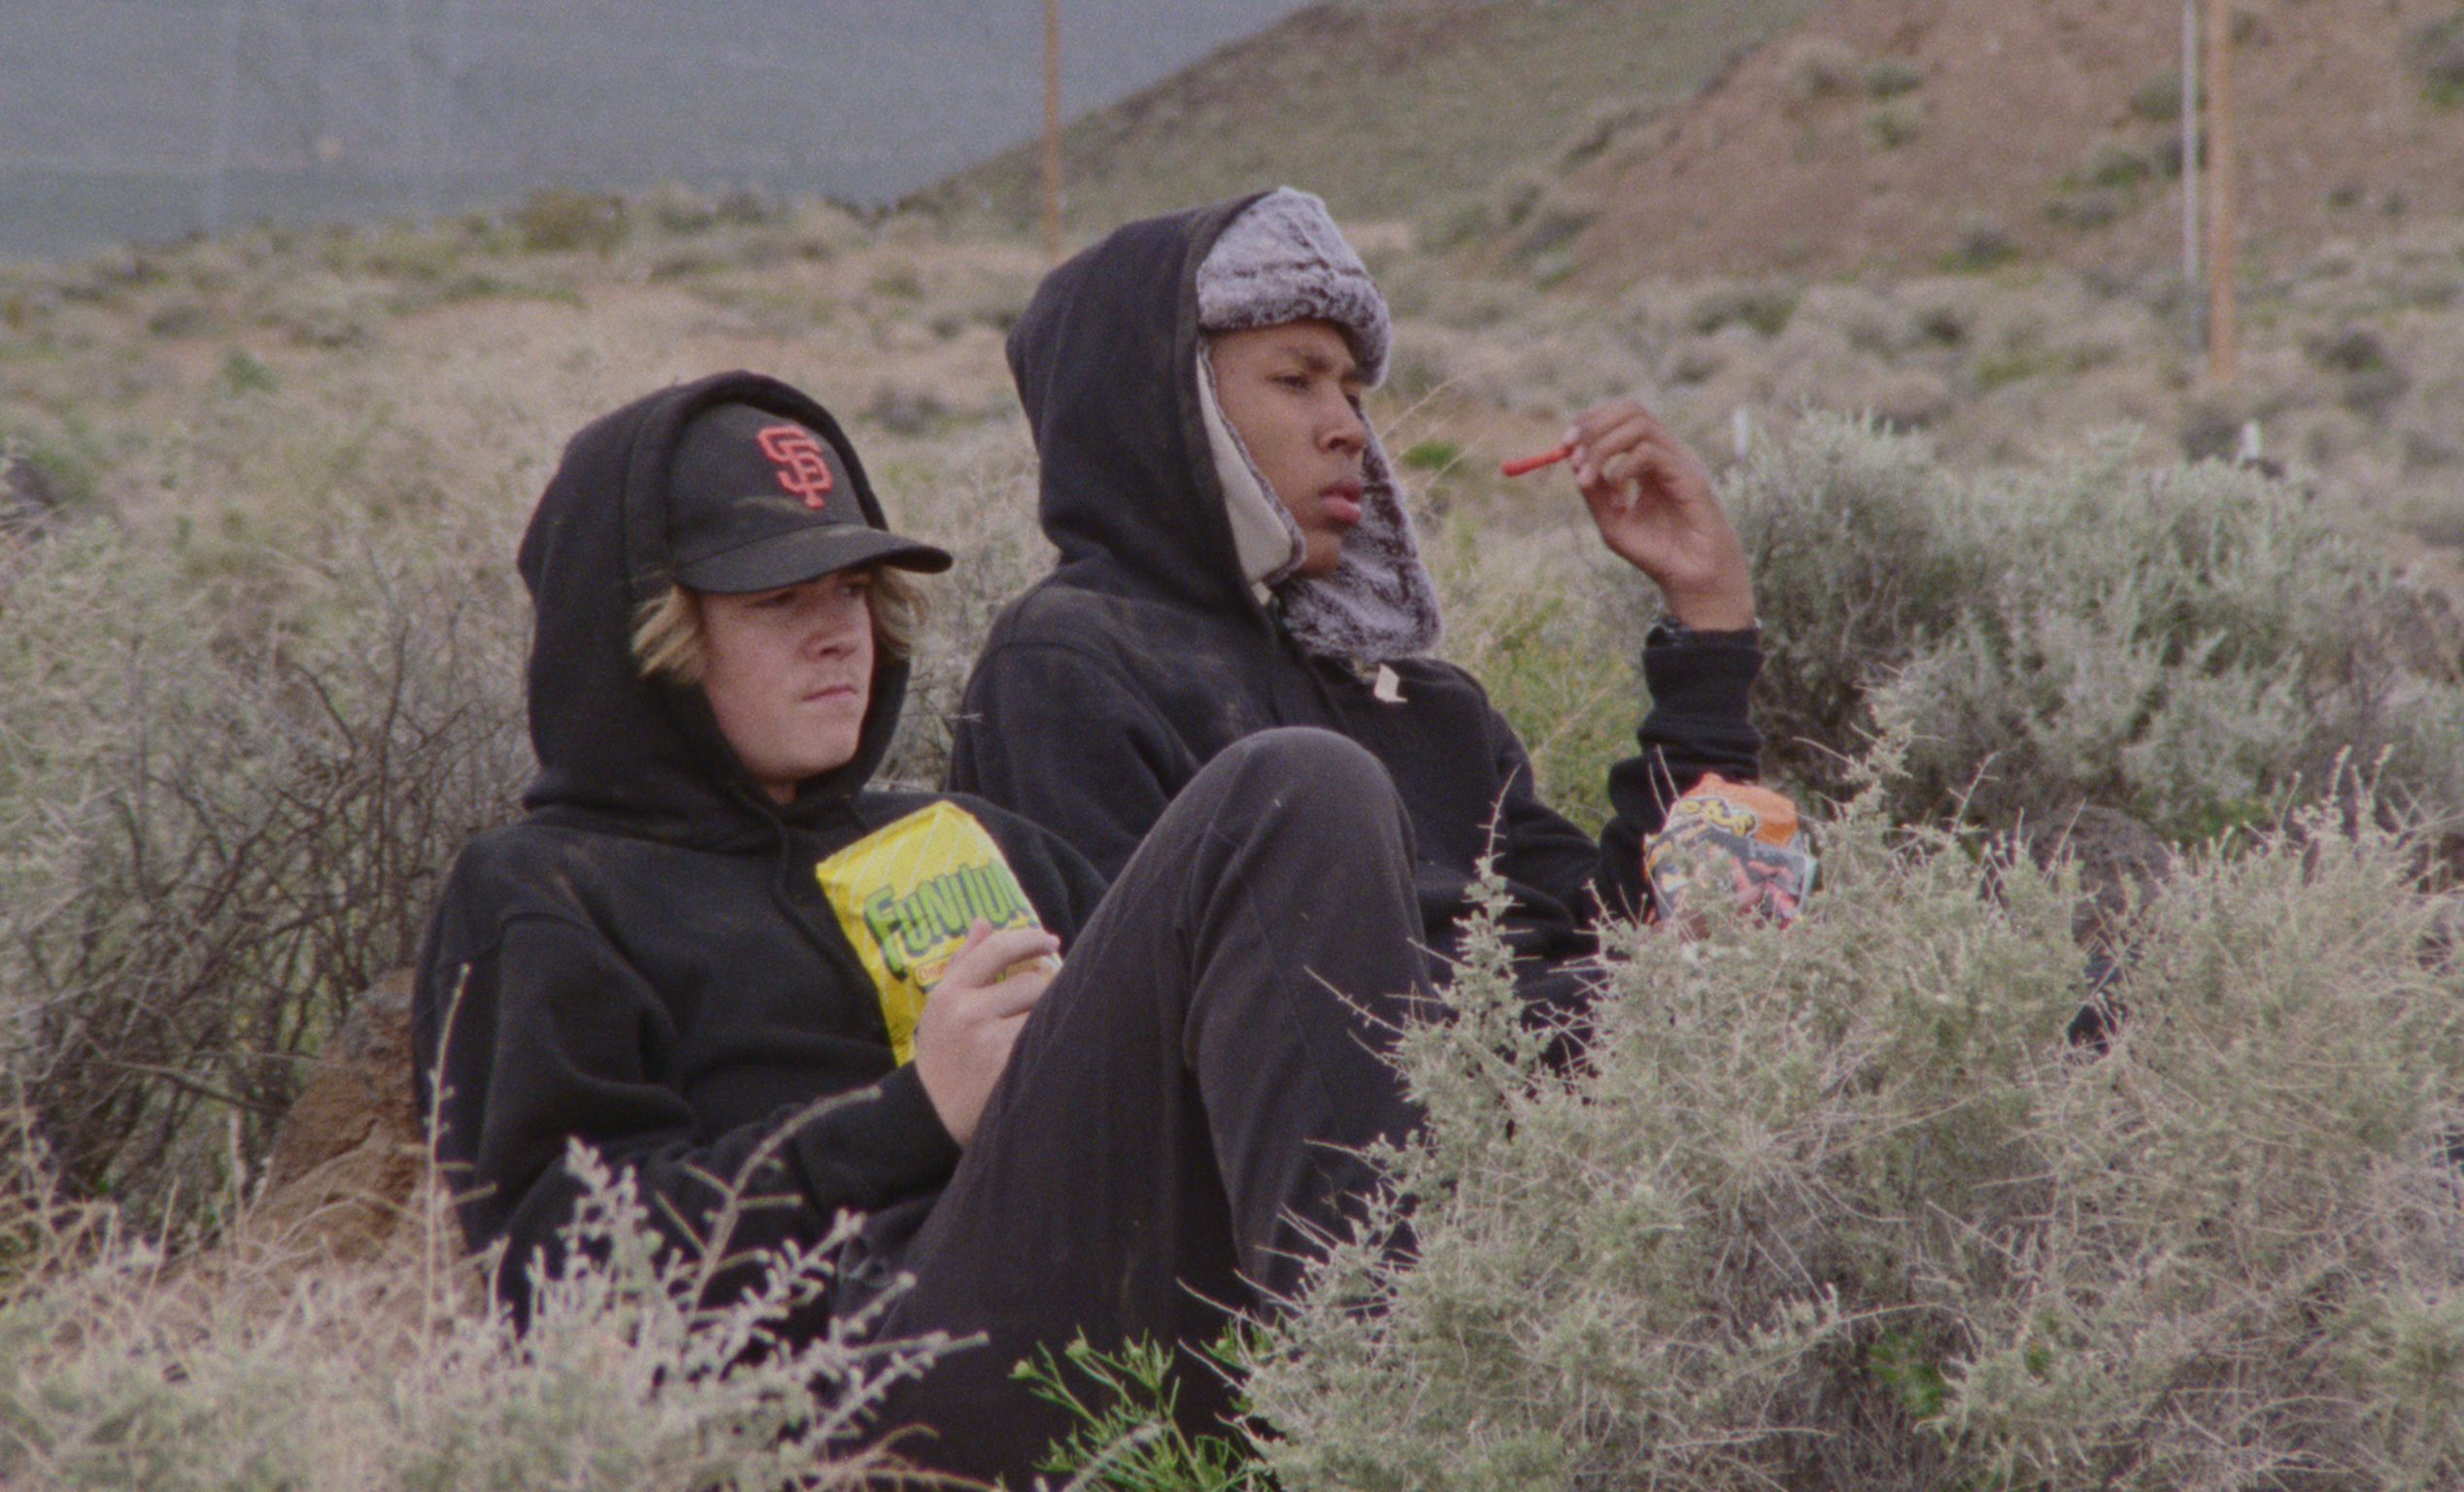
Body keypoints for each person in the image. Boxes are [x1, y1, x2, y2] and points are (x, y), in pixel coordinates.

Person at [410, 369, 1439, 1482]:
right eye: (776, 601)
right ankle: (1388, 1428)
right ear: (648, 634)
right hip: (846, 1390)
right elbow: (556, 1273)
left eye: (852, 590)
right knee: (1285, 790)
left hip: (1109, 1320)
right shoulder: (545, 889)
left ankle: (1390, 1401)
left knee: (1313, 812)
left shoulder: (971, 836)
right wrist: (909, 1117)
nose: (836, 635)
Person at [948, 187, 1769, 1010]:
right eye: (1295, 380)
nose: (1347, 428)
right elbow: (1163, 1030)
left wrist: (1708, 621)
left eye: (1352, 394)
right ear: (1162, 405)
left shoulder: (1431, 708)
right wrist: (1613, 1003)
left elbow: (1616, 936)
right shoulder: (1065, 668)